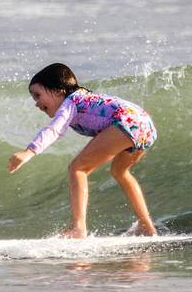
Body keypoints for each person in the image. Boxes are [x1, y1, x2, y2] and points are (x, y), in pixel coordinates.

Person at [8, 63, 158, 238]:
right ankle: (146, 225)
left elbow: (54, 130)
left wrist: (29, 151)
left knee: (77, 169)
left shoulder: (70, 102)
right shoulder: (84, 97)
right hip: (144, 124)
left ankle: (78, 229)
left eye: (38, 95)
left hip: (127, 123)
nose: (36, 103)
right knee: (120, 171)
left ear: (58, 90)